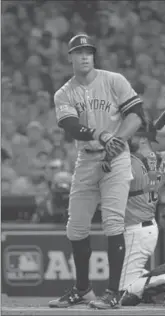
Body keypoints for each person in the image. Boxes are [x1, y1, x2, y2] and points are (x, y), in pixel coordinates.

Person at [49, 33, 151, 309]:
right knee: (76, 226)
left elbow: (136, 115)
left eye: (89, 51)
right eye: (79, 51)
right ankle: (83, 289)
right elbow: (71, 125)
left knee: (113, 223)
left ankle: (113, 292)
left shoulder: (113, 80)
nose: (84, 55)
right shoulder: (64, 92)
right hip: (87, 158)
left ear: (94, 55)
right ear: (70, 57)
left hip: (116, 160)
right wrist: (102, 135)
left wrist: (115, 143)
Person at [101, 124, 165, 307]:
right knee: (129, 284)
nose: (128, 139)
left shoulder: (126, 162)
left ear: (145, 139)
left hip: (135, 230)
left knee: (122, 293)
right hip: (145, 228)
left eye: (133, 135)